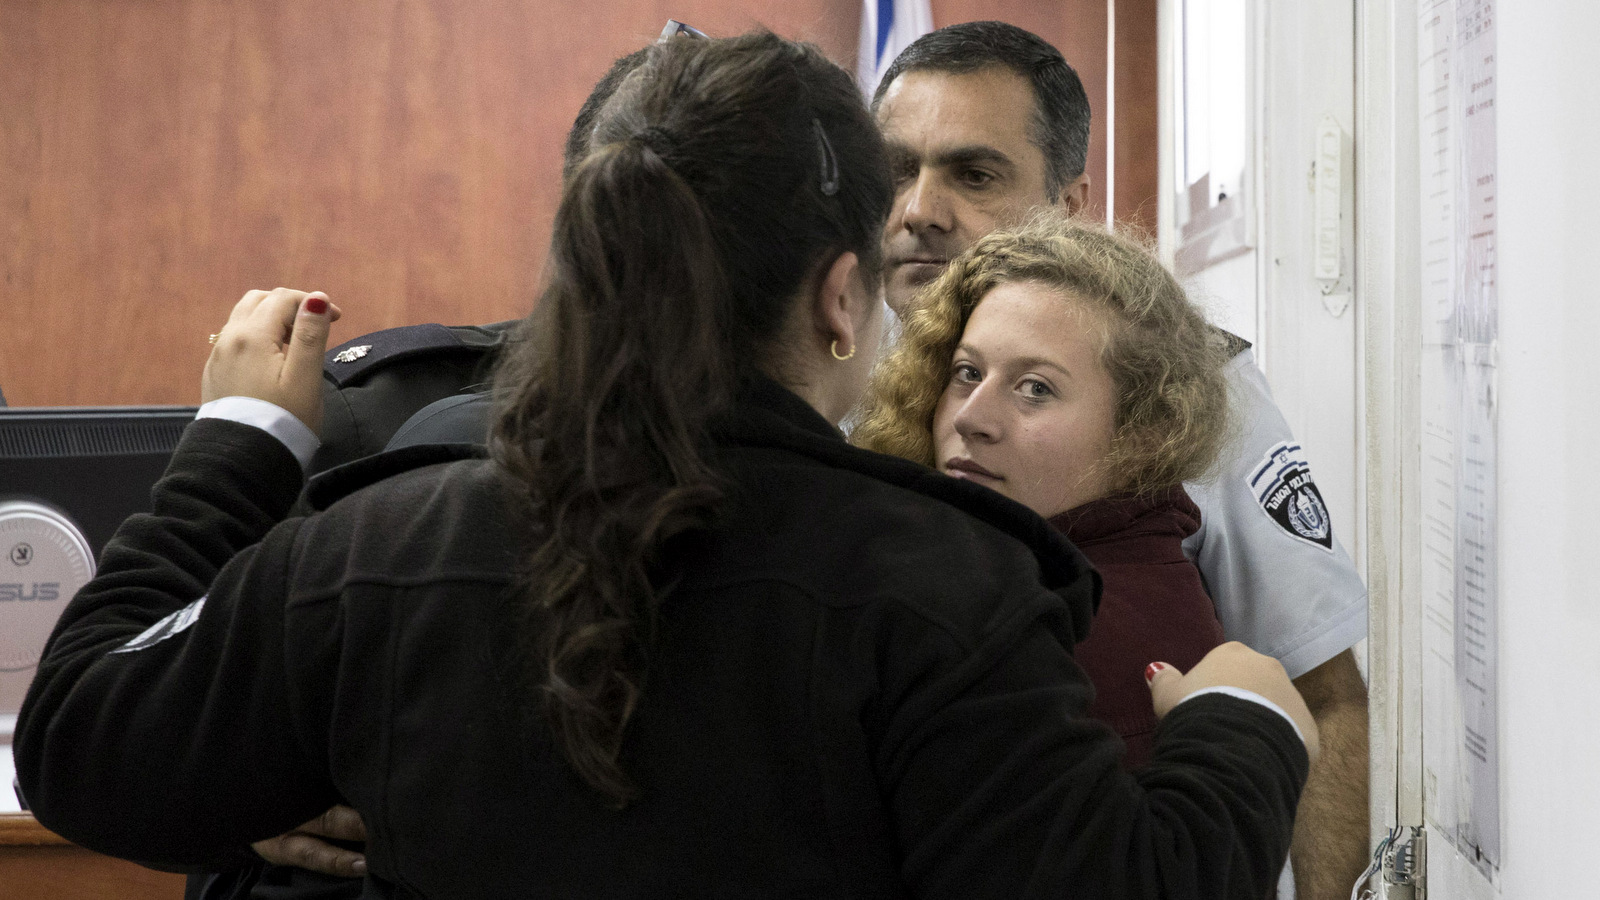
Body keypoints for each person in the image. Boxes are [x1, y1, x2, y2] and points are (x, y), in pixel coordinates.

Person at [18, 32, 1314, 898]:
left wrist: (238, 446)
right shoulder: (949, 585)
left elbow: (79, 741)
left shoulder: (372, 550)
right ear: (842, 297)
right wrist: (1243, 722)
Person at [871, 21, 1370, 899]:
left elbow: (1323, 692)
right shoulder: (825, 383)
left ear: (1069, 204)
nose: (920, 209)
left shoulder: (1186, 384)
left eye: (973, 174)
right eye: (896, 172)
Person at [855, 213, 1232, 769]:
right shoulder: (1045, 566)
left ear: (1143, 434)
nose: (971, 418)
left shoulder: (1062, 631)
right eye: (965, 373)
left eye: (1035, 388)